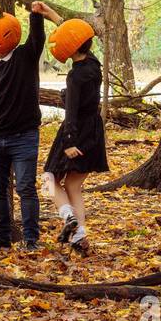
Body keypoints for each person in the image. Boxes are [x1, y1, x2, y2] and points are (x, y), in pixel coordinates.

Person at [0, 0, 61, 252]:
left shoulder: (25, 57)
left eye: (4, 34)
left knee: (25, 187)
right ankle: (0, 238)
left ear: (14, 34)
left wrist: (36, 16)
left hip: (24, 138)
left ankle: (31, 239)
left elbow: (37, 38)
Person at [43, 18, 108, 255]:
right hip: (93, 131)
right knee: (73, 184)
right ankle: (80, 236)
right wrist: (50, 13)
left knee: (49, 180)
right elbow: (71, 31)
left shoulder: (75, 76)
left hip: (75, 131)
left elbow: (71, 112)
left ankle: (68, 216)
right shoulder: (94, 65)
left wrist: (69, 142)